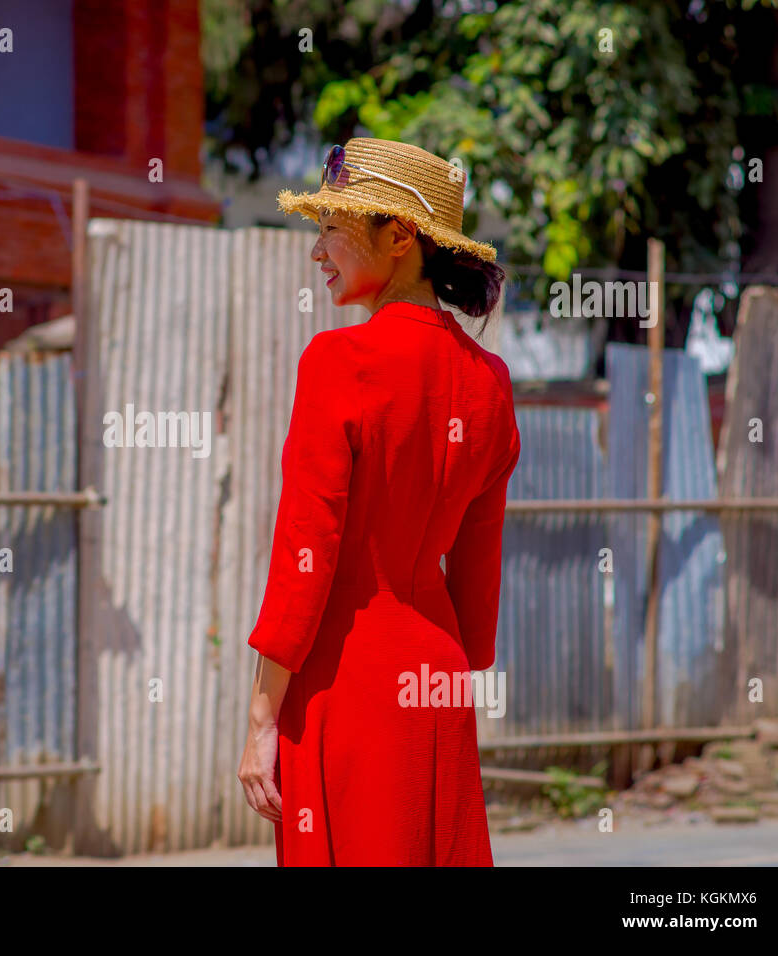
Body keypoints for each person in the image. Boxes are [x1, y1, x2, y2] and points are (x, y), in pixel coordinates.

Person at [238, 138, 522, 866]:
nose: (317, 250)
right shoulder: (490, 384)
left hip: (348, 679)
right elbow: (478, 585)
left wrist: (262, 717)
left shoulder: (339, 363)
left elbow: (304, 557)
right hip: (438, 678)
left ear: (399, 237)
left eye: (332, 228)